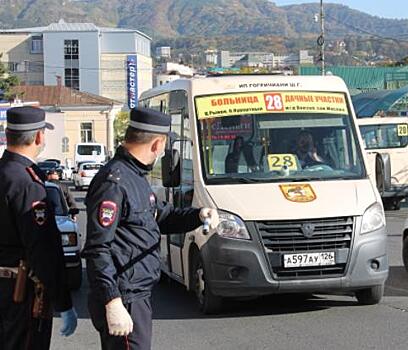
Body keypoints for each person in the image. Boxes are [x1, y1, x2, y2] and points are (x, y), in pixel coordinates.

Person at [82, 107, 219, 350]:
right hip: (124, 296)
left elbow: (161, 217)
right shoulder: (114, 182)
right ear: (157, 145)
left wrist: (198, 215)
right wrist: (112, 301)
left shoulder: (135, 177)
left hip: (136, 294)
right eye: (164, 147)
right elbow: (97, 248)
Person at [0, 106, 77, 350]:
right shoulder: (27, 183)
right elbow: (43, 250)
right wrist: (63, 302)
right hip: (20, 293)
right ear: (39, 137)